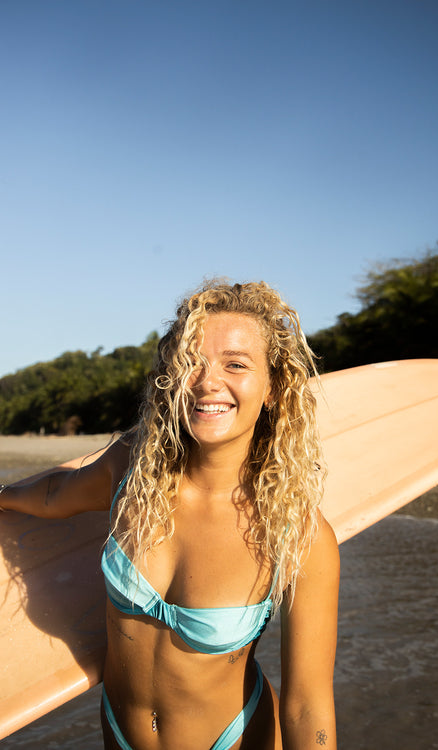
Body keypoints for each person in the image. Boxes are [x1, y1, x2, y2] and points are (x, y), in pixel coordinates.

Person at [0, 280, 339, 750]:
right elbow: (57, 493)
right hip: (119, 734)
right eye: (190, 363)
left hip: (233, 739)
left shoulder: (298, 533)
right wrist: (2, 495)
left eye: (235, 364)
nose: (206, 381)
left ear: (274, 388)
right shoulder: (132, 470)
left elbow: (307, 704)